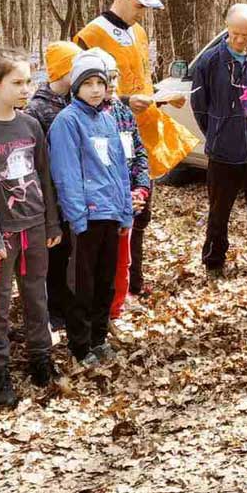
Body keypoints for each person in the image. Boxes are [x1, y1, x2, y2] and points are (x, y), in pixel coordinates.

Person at [75, 0, 196, 299]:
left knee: (141, 210)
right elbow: (82, 90)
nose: (142, 11)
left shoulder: (140, 33)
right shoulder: (91, 35)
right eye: (139, 4)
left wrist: (160, 96)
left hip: (141, 133)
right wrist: (128, 101)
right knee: (114, 215)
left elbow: (141, 77)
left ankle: (133, 280)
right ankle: (109, 287)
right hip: (107, 135)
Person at [0, 48, 63, 408]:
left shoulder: (31, 124)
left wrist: (51, 221)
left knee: (37, 295)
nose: (26, 89)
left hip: (35, 226)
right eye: (17, 82)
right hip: (2, 233)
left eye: (29, 82)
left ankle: (41, 357)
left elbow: (44, 175)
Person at [48, 50, 133, 368]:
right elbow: (66, 173)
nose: (96, 89)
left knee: (105, 281)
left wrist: (125, 211)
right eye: (89, 83)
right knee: (81, 284)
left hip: (111, 215)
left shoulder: (109, 120)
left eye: (101, 82)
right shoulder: (66, 122)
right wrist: (77, 216)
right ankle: (80, 345)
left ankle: (99, 338)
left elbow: (119, 170)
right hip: (86, 217)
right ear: (76, 86)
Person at [191, 4, 247, 280]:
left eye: (246, 34)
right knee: (219, 211)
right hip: (223, 151)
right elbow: (199, 106)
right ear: (226, 26)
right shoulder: (209, 61)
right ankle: (214, 261)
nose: (240, 39)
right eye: (235, 33)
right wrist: (217, 130)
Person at [26, 41, 83, 331]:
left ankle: (68, 303)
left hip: (74, 191)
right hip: (49, 194)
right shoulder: (36, 108)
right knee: (54, 253)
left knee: (72, 251)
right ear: (64, 70)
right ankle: (52, 309)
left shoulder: (78, 100)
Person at [92, 48, 150, 319]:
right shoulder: (82, 116)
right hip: (101, 205)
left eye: (115, 78)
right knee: (101, 263)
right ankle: (102, 311)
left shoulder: (123, 111)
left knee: (123, 261)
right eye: (107, 79)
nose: (113, 85)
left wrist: (140, 189)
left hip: (128, 200)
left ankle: (119, 304)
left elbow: (139, 152)